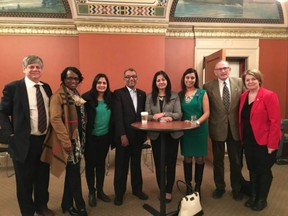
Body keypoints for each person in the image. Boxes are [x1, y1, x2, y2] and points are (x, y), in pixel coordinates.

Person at [0, 55, 54, 216]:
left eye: (38, 67)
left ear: (42, 70)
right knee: (24, 181)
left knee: (42, 177)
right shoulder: (13, 87)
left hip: (44, 141)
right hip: (23, 142)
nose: (35, 69)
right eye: (31, 66)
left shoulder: (46, 88)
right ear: (24, 69)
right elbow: (2, 112)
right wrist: (9, 134)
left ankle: (41, 206)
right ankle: (28, 212)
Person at [41, 67, 87, 216]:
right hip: (68, 140)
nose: (73, 81)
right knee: (74, 174)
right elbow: (55, 119)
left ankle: (66, 204)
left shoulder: (74, 93)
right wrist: (66, 141)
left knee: (72, 173)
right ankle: (80, 206)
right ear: (63, 79)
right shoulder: (58, 96)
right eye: (69, 78)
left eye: (76, 78)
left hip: (77, 139)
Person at [239, 69, 281, 211]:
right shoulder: (244, 96)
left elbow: (275, 122)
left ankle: (262, 199)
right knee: (252, 168)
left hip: (265, 141)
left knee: (263, 170)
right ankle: (254, 195)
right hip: (249, 140)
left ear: (259, 80)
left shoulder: (269, 95)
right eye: (247, 80)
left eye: (253, 79)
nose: (250, 82)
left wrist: (272, 144)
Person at [203, 60, 244, 201]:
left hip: (235, 129)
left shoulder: (240, 83)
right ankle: (220, 187)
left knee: (236, 161)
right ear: (215, 72)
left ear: (229, 69)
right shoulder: (208, 86)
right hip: (217, 128)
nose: (223, 71)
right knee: (218, 161)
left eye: (225, 68)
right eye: (219, 69)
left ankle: (237, 188)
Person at [145, 70, 183, 202]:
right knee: (159, 163)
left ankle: (168, 190)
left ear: (167, 81)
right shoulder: (149, 97)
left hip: (172, 135)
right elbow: (147, 115)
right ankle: (162, 189)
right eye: (158, 80)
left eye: (163, 80)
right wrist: (156, 117)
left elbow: (179, 114)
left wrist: (164, 115)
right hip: (157, 135)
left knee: (171, 163)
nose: (161, 82)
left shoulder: (175, 95)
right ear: (155, 83)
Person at [113, 68, 148, 206]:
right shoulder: (118, 93)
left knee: (136, 165)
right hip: (124, 137)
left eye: (133, 76)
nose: (131, 79)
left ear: (137, 78)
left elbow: (143, 115)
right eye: (128, 77)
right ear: (124, 79)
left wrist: (145, 133)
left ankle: (137, 190)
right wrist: (122, 134)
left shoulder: (142, 94)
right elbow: (118, 116)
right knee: (121, 166)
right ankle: (119, 194)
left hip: (138, 137)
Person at [82, 74, 113, 207]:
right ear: (95, 84)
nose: (102, 85)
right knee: (90, 166)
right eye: (99, 83)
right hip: (90, 138)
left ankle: (100, 191)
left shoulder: (111, 98)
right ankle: (91, 192)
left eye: (104, 83)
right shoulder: (86, 98)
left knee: (101, 165)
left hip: (105, 137)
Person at [179, 68, 209, 197]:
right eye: (187, 77)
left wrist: (197, 122)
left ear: (196, 79)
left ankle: (197, 186)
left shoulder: (202, 93)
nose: (189, 80)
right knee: (187, 157)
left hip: (199, 129)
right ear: (184, 79)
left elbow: (207, 112)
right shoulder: (180, 95)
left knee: (200, 157)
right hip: (186, 131)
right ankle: (188, 185)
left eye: (192, 78)